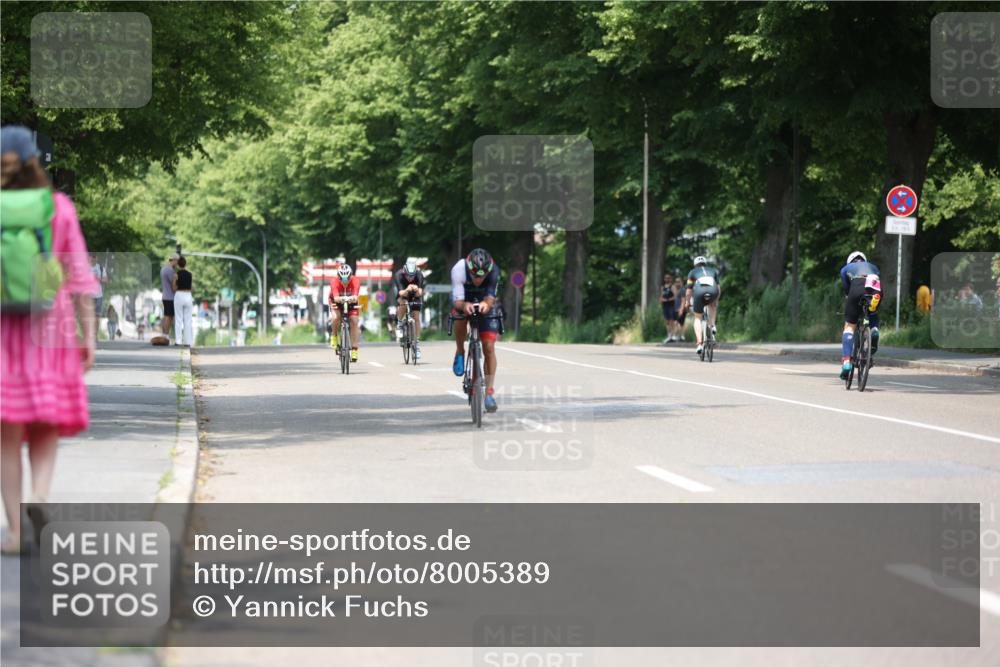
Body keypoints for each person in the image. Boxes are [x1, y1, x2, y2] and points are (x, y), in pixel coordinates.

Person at [1, 126, 97, 554]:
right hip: (50, 323)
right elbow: (78, 277)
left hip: (4, 327)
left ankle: (17, 532)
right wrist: (88, 335)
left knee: (6, 433)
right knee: (45, 421)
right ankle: (40, 495)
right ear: (35, 161)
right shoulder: (58, 208)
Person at [451, 248, 501, 413]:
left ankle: (489, 393)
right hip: (463, 298)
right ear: (469, 268)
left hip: (483, 299)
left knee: (488, 347)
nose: (478, 279)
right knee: (458, 318)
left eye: (482, 276)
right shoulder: (459, 269)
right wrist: (464, 305)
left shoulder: (494, 270)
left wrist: (487, 304)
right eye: (474, 275)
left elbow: (490, 297)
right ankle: (460, 351)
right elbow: (457, 301)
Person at [838, 250, 882, 379]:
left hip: (856, 288)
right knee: (872, 311)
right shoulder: (873, 266)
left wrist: (849, 298)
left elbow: (847, 289)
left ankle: (846, 362)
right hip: (876, 288)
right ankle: (874, 329)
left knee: (850, 326)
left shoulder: (846, 268)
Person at [684, 256, 721, 356]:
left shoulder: (692, 272)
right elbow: (718, 288)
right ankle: (713, 326)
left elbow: (688, 291)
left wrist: (687, 303)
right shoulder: (713, 271)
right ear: (705, 264)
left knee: (697, 318)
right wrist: (715, 301)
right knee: (712, 305)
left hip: (699, 292)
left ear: (695, 265)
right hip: (713, 291)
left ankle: (700, 343)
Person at [393, 258, 426, 360]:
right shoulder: (399, 275)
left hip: (414, 294)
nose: (410, 278)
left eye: (412, 276)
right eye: (408, 275)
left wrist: (416, 289)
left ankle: (416, 345)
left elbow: (420, 292)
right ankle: (399, 323)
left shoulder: (419, 275)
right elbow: (400, 293)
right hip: (402, 291)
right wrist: (408, 289)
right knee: (402, 302)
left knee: (416, 316)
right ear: (404, 272)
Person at [329, 264, 361, 362]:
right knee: (335, 317)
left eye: (347, 279)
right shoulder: (334, 282)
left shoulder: (356, 281)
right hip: (336, 301)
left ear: (350, 276)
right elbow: (336, 298)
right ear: (338, 277)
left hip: (351, 302)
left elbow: (355, 296)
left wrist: (352, 298)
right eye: (342, 279)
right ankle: (334, 336)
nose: (345, 282)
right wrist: (341, 299)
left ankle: (354, 349)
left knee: (354, 321)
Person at [172, 256, 194, 347]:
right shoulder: (190, 274)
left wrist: (177, 286)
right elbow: (191, 287)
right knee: (188, 320)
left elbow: (173, 288)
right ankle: (187, 342)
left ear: (178, 264)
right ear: (185, 264)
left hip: (179, 296)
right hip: (188, 296)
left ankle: (178, 341)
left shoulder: (176, 275)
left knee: (178, 319)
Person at [160, 253, 178, 338]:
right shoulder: (171, 271)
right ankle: (166, 335)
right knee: (169, 317)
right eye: (177, 261)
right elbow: (173, 286)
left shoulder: (163, 269)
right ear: (174, 260)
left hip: (165, 296)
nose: (177, 264)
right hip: (170, 297)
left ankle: (164, 334)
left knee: (166, 316)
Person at [659, 272, 676, 343]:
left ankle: (673, 335)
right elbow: (661, 296)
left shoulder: (672, 286)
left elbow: (675, 296)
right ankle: (669, 335)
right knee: (667, 321)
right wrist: (661, 299)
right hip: (665, 306)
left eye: (668, 278)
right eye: (666, 278)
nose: (667, 279)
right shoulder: (663, 287)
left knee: (672, 320)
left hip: (671, 306)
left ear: (671, 279)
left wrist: (668, 299)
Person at [673, 276, 687, 342]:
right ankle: (676, 336)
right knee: (676, 323)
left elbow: (683, 300)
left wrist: (681, 310)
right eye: (676, 282)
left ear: (682, 282)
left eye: (678, 282)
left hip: (680, 309)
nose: (676, 283)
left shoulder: (682, 290)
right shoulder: (678, 290)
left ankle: (683, 337)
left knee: (682, 323)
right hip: (676, 309)